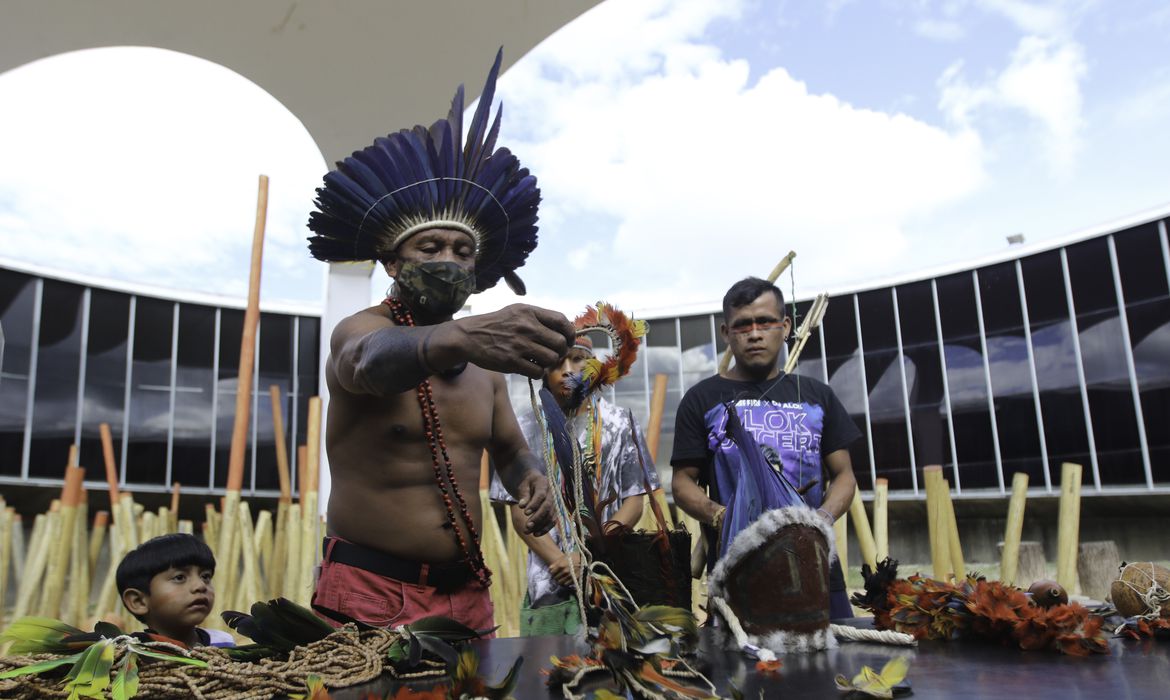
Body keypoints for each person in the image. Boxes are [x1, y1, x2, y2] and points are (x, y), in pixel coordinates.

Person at [305, 50, 569, 632]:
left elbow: (507, 449)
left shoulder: (484, 364)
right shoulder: (363, 329)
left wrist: (531, 475)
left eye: (463, 251)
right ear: (392, 261)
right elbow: (368, 363)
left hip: (465, 597)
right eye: (431, 249)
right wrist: (467, 334)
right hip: (370, 595)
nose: (449, 261)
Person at [671, 276, 861, 619]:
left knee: (828, 669)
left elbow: (844, 475)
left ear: (785, 327)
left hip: (817, 572)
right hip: (737, 574)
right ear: (726, 333)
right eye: (743, 325)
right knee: (741, 670)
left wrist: (820, 520)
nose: (755, 333)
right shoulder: (702, 399)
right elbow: (682, 482)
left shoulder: (818, 396)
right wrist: (723, 516)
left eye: (765, 322)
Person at [491, 335, 657, 635]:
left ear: (593, 365)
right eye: (556, 363)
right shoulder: (524, 428)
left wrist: (590, 556)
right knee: (548, 671)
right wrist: (562, 560)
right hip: (549, 581)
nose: (568, 370)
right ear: (544, 372)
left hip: (610, 577)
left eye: (578, 359)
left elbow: (634, 502)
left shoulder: (620, 423)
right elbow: (519, 510)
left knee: (615, 669)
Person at [116, 533, 235, 648]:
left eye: (205, 576)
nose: (200, 585)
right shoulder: (131, 656)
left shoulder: (223, 643)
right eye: (179, 578)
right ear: (139, 601)